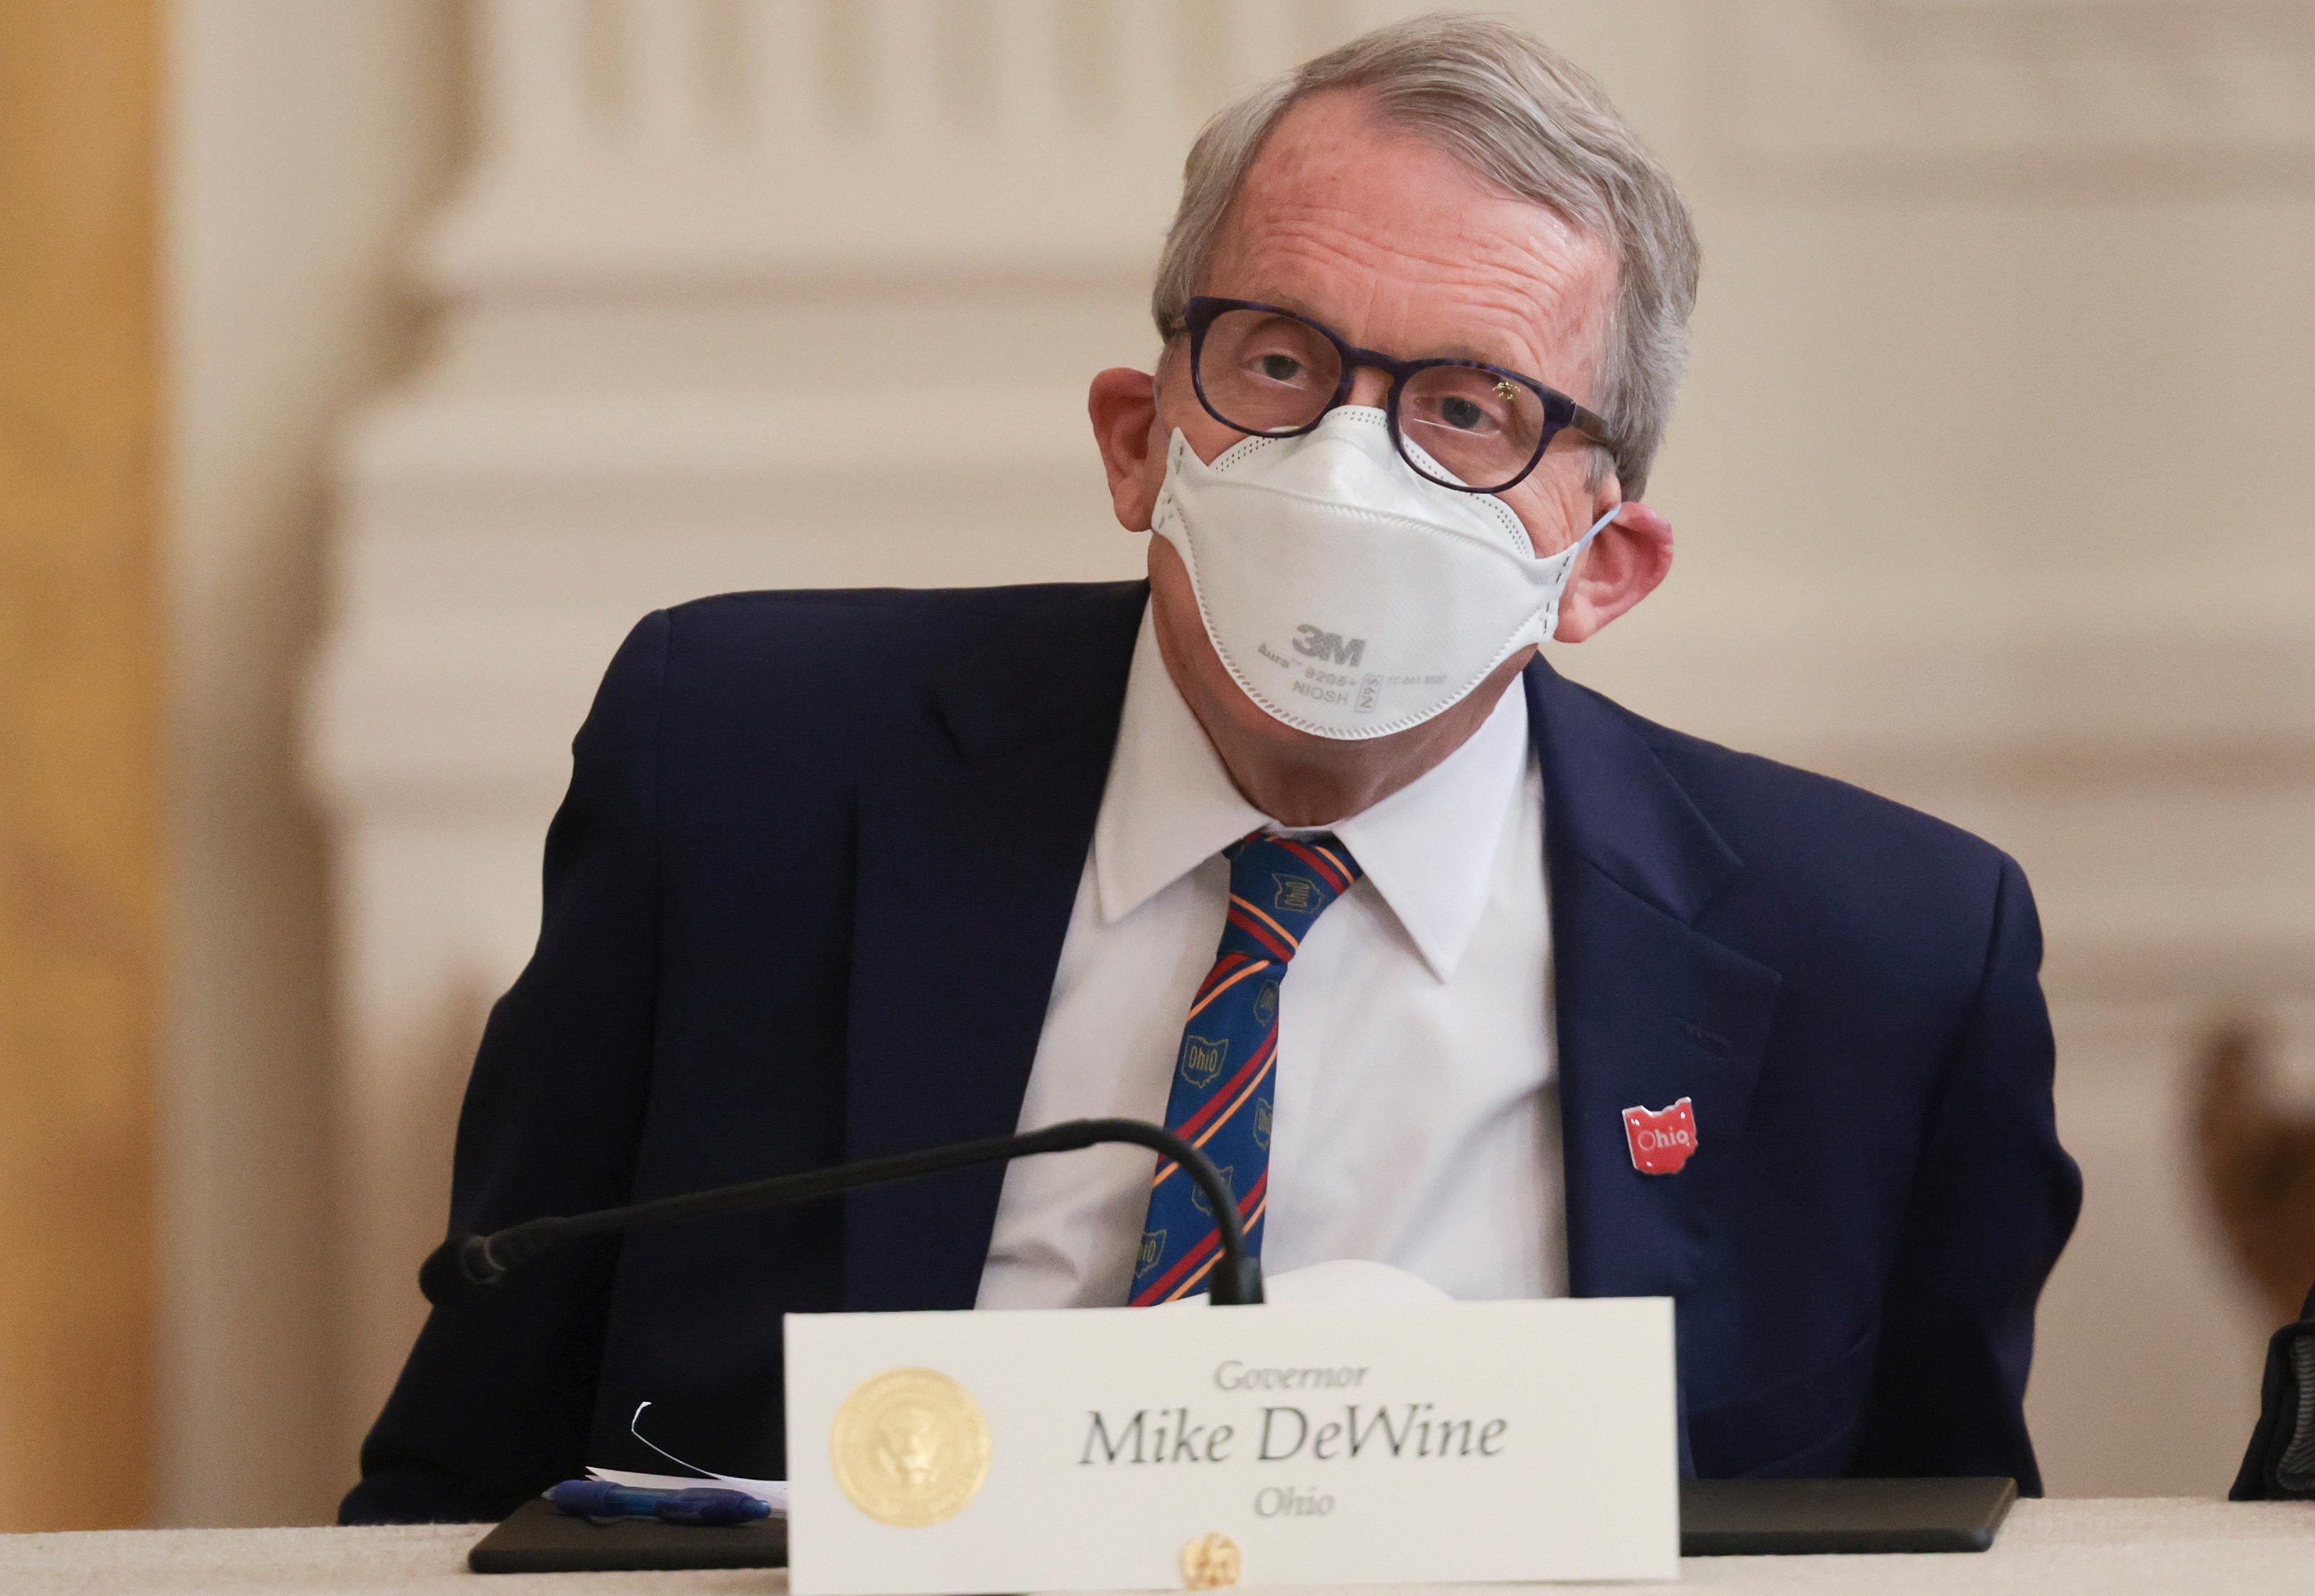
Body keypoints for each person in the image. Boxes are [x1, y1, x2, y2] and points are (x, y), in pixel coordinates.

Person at [342, 15, 2080, 1524]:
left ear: (1599, 569)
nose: (1346, 464)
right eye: (1281, 362)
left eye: (1469, 411)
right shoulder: (733, 769)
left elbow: (1934, 1535)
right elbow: (459, 1473)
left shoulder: (1893, 956)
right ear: (1136, 435)